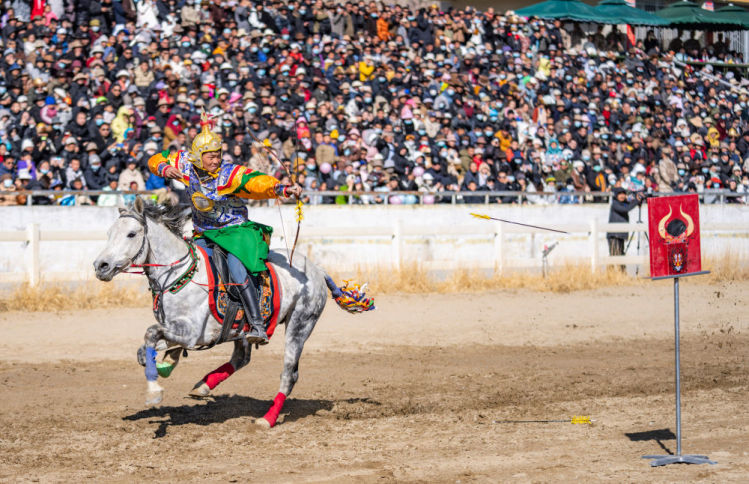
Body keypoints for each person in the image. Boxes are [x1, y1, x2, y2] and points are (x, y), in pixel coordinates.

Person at [148, 113, 301, 345]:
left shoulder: (229, 174)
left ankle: (257, 324)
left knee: (237, 270)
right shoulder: (185, 163)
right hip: (204, 231)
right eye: (211, 156)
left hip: (235, 232)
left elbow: (255, 181)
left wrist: (282, 189)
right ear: (198, 156)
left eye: (218, 154)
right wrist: (163, 168)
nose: (216, 159)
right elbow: (156, 158)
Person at [606, 187, 643, 271]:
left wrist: (637, 199)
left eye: (623, 194)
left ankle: (621, 274)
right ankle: (610, 274)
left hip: (621, 234)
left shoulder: (624, 203)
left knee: (621, 254)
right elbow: (625, 209)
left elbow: (629, 205)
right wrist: (636, 201)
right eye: (620, 194)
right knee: (614, 255)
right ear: (616, 195)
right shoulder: (615, 204)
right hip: (614, 235)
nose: (622, 196)